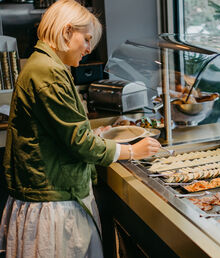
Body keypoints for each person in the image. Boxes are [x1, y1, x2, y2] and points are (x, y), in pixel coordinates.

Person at [0, 0, 161, 257]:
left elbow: (62, 132)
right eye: (86, 39)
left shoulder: (43, 64)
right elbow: (79, 143)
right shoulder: (48, 72)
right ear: (66, 32)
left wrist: (96, 134)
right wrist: (133, 151)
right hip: (53, 203)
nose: (88, 49)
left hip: (50, 195)